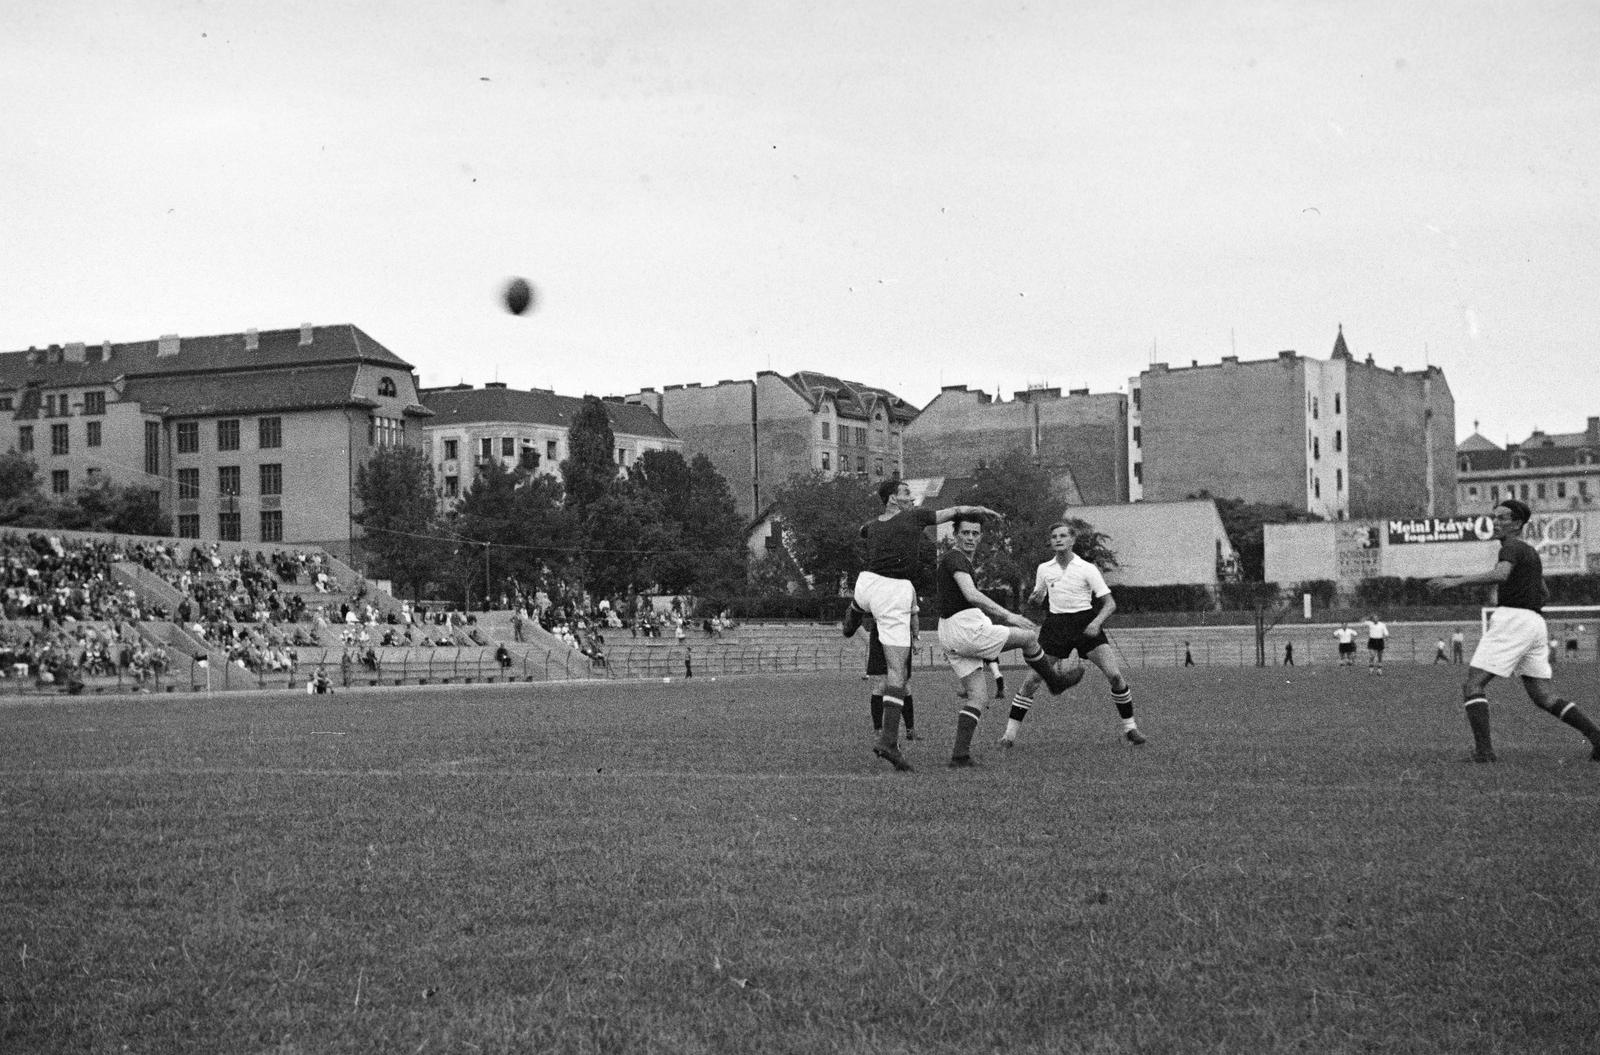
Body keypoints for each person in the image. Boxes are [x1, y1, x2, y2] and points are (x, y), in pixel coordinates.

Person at [841, 479, 1009, 772]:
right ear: (893, 499)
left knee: (864, 612)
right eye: (906, 493)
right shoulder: (914, 517)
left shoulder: (873, 525)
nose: (912, 497)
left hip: (866, 584)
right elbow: (954, 511)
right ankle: (888, 741)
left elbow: (863, 531)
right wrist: (980, 509)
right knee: (897, 673)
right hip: (892, 592)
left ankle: (854, 614)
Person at [1428, 499, 1600, 763]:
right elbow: (1544, 593)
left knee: (1474, 684)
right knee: (1543, 695)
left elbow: (1501, 574)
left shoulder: (1510, 547)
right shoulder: (1529, 552)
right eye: (1494, 517)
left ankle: (1484, 753)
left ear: (1517, 523)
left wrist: (1456, 581)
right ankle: (1597, 737)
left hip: (1513, 621)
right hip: (1535, 623)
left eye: (1502, 518)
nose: (1495, 522)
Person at [937, 513, 1081, 768]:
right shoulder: (955, 558)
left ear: (980, 536)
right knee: (1028, 637)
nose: (970, 538)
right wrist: (1009, 616)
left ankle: (960, 755)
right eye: (965, 533)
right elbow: (971, 594)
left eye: (975, 533)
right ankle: (1054, 682)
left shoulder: (958, 560)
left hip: (949, 632)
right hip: (964, 628)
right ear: (955, 535)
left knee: (978, 697)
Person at [1003, 520, 1143, 748]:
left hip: (1085, 622)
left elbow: (1110, 603)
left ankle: (1130, 729)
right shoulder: (1044, 569)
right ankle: (1008, 737)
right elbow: (1038, 597)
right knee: (1032, 680)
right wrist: (1033, 599)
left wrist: (1096, 623)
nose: (1058, 539)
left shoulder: (1087, 568)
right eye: (1054, 537)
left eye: (1063, 536)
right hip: (1055, 626)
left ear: (1072, 540)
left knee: (1115, 676)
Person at [865, 619, 917, 743]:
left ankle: (910, 730)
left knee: (904, 684)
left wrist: (915, 636)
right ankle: (878, 730)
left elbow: (912, 613)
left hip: (902, 634)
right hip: (881, 634)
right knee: (881, 684)